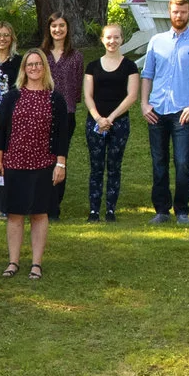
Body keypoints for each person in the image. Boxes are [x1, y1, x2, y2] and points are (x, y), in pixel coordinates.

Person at [0, 48, 73, 280]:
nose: (34, 68)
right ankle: (13, 262)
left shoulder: (54, 98)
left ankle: (36, 264)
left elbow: (62, 135)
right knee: (14, 214)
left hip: (43, 163)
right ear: (24, 68)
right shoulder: (12, 96)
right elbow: (1, 131)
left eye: (39, 64)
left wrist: (61, 164)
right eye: (30, 64)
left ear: (45, 68)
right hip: (14, 163)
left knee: (40, 214)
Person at [83, 20, 141, 224]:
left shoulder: (130, 66)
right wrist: (98, 118)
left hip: (119, 123)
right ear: (102, 40)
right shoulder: (92, 66)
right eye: (108, 37)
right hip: (95, 123)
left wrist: (112, 118)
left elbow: (132, 95)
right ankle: (93, 211)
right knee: (96, 167)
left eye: (116, 37)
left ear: (122, 39)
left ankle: (110, 210)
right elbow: (88, 96)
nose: (112, 41)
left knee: (114, 166)